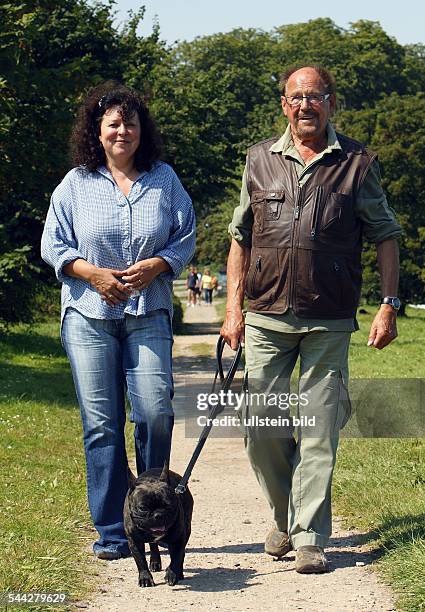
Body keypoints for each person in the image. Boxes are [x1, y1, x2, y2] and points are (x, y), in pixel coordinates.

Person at [221, 65, 401, 574]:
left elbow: (385, 234)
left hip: (329, 317)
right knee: (263, 427)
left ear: (331, 103)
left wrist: (388, 304)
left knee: (319, 428)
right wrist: (233, 308)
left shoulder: (358, 163)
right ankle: (284, 516)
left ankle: (308, 536)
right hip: (265, 315)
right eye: (296, 97)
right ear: (284, 104)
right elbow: (241, 237)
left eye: (315, 97)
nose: (305, 105)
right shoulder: (258, 159)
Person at [41, 82, 195, 560]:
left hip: (148, 312)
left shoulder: (164, 179)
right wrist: (90, 273)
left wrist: (159, 264)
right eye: (113, 123)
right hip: (89, 315)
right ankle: (115, 531)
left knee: (154, 410)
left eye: (130, 122)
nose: (122, 130)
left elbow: (185, 235)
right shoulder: (75, 183)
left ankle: (159, 517)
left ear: (141, 129)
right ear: (98, 131)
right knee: (102, 425)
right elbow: (53, 245)